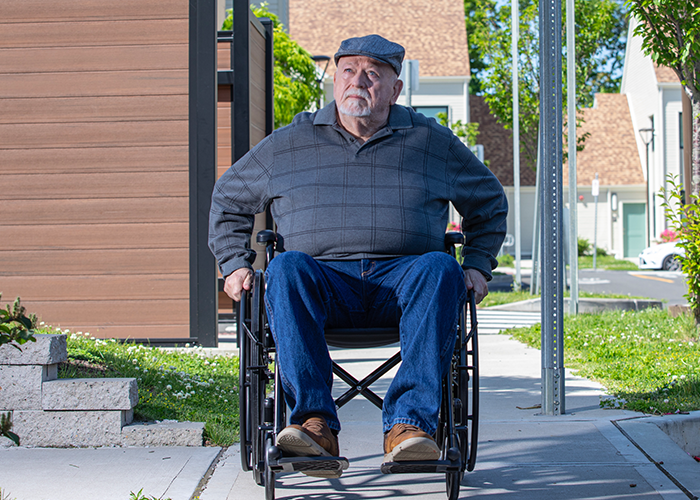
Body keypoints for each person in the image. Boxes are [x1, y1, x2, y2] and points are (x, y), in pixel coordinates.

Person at [209, 34, 508, 476]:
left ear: (395, 89)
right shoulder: (291, 142)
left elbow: (488, 201)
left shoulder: (431, 141)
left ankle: (409, 427)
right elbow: (229, 197)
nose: (358, 82)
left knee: (440, 266)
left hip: (406, 284)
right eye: (348, 71)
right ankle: (313, 425)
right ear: (334, 79)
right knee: (286, 266)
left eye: (373, 73)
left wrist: (478, 264)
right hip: (319, 286)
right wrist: (234, 263)